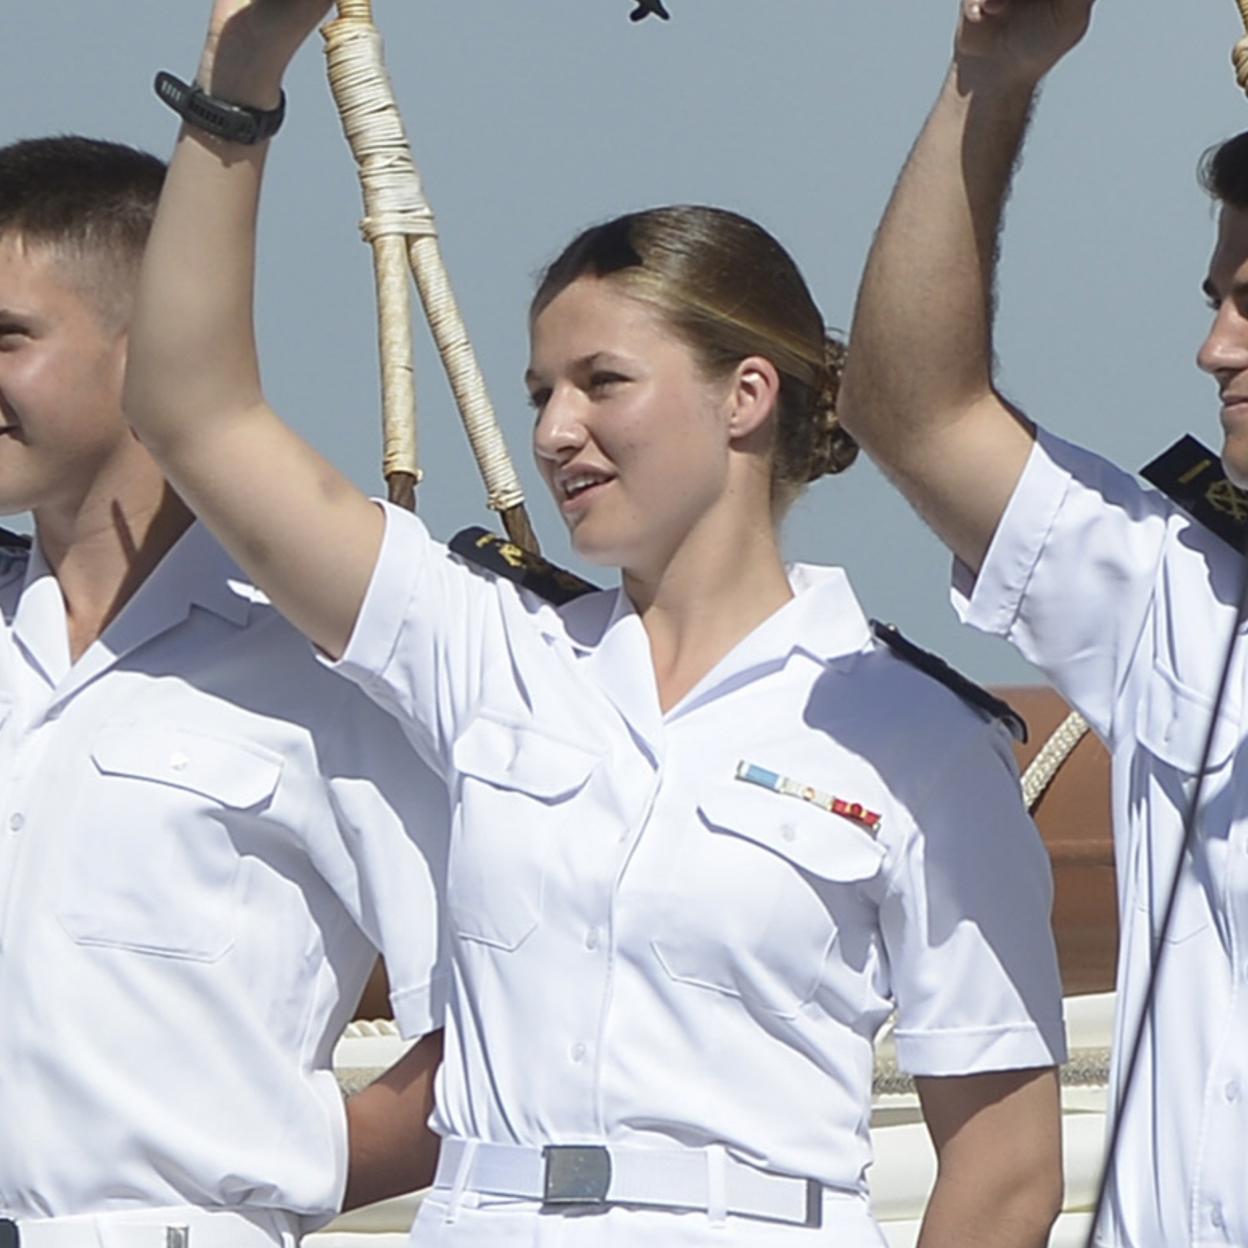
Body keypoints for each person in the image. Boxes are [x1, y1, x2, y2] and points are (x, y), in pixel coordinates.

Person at [123, 2, 1069, 1243]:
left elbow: (1004, 1167)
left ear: (746, 395)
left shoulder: (916, 739)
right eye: (538, 394)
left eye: (601, 383)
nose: (555, 431)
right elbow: (194, 415)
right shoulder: (487, 654)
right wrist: (239, 72)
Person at [836, 0, 1248, 1243]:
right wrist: (991, 77)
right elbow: (908, 411)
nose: (1212, 346)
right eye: (1218, 297)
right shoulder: (1172, 591)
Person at [0, 134, 449, 1247]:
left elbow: (508, 1013)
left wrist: (283, 1165)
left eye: (5, 339)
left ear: (146, 346)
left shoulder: (328, 669)